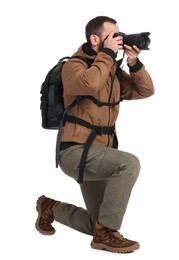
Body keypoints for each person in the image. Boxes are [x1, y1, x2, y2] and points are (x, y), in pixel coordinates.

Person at [35, 16, 154, 253]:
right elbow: (89, 84)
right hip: (74, 152)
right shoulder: (74, 66)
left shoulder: (111, 71)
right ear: (95, 38)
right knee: (130, 164)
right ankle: (107, 234)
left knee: (96, 222)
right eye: (114, 36)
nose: (119, 40)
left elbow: (146, 90)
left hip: (101, 153)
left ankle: (50, 208)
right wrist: (108, 56)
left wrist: (134, 63)